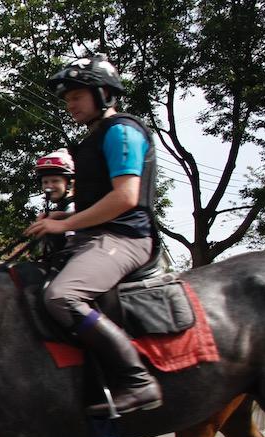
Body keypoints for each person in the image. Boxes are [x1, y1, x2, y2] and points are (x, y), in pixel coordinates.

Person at [26, 54, 162, 416]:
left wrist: (63, 224)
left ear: (103, 93)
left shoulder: (121, 131)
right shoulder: (93, 138)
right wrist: (65, 215)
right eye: (67, 98)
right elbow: (98, 198)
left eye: (76, 96)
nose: (69, 104)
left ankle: (138, 381)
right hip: (94, 238)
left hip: (126, 239)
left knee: (61, 296)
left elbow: (125, 197)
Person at [34, 149, 76, 268]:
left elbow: (70, 250)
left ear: (69, 183)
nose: (48, 187)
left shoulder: (72, 208)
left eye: (55, 181)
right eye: (45, 182)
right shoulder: (55, 211)